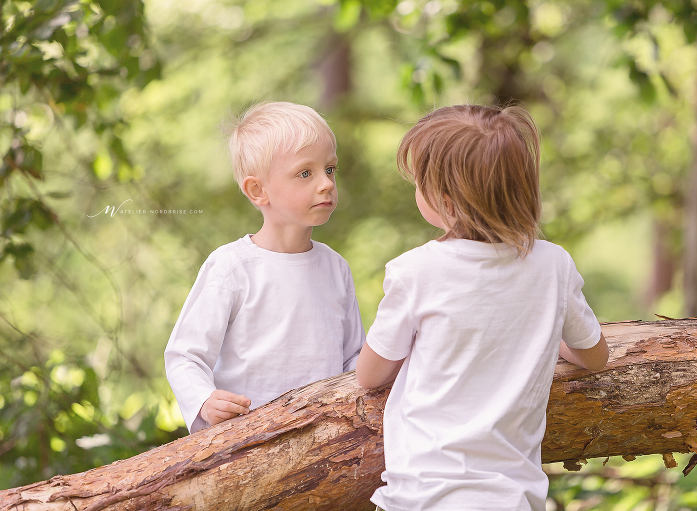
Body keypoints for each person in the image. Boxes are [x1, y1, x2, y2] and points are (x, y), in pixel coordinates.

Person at [356, 104, 609, 511]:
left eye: (419, 182)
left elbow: (370, 374)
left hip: (422, 494)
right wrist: (551, 337)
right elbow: (595, 356)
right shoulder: (553, 266)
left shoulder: (416, 271)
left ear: (446, 202)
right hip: (512, 497)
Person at [166, 102, 365, 434]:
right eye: (306, 173)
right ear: (258, 190)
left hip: (324, 440)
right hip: (245, 442)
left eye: (330, 169)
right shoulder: (232, 267)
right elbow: (184, 356)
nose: (326, 183)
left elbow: (353, 360)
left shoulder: (335, 268)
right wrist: (205, 399)